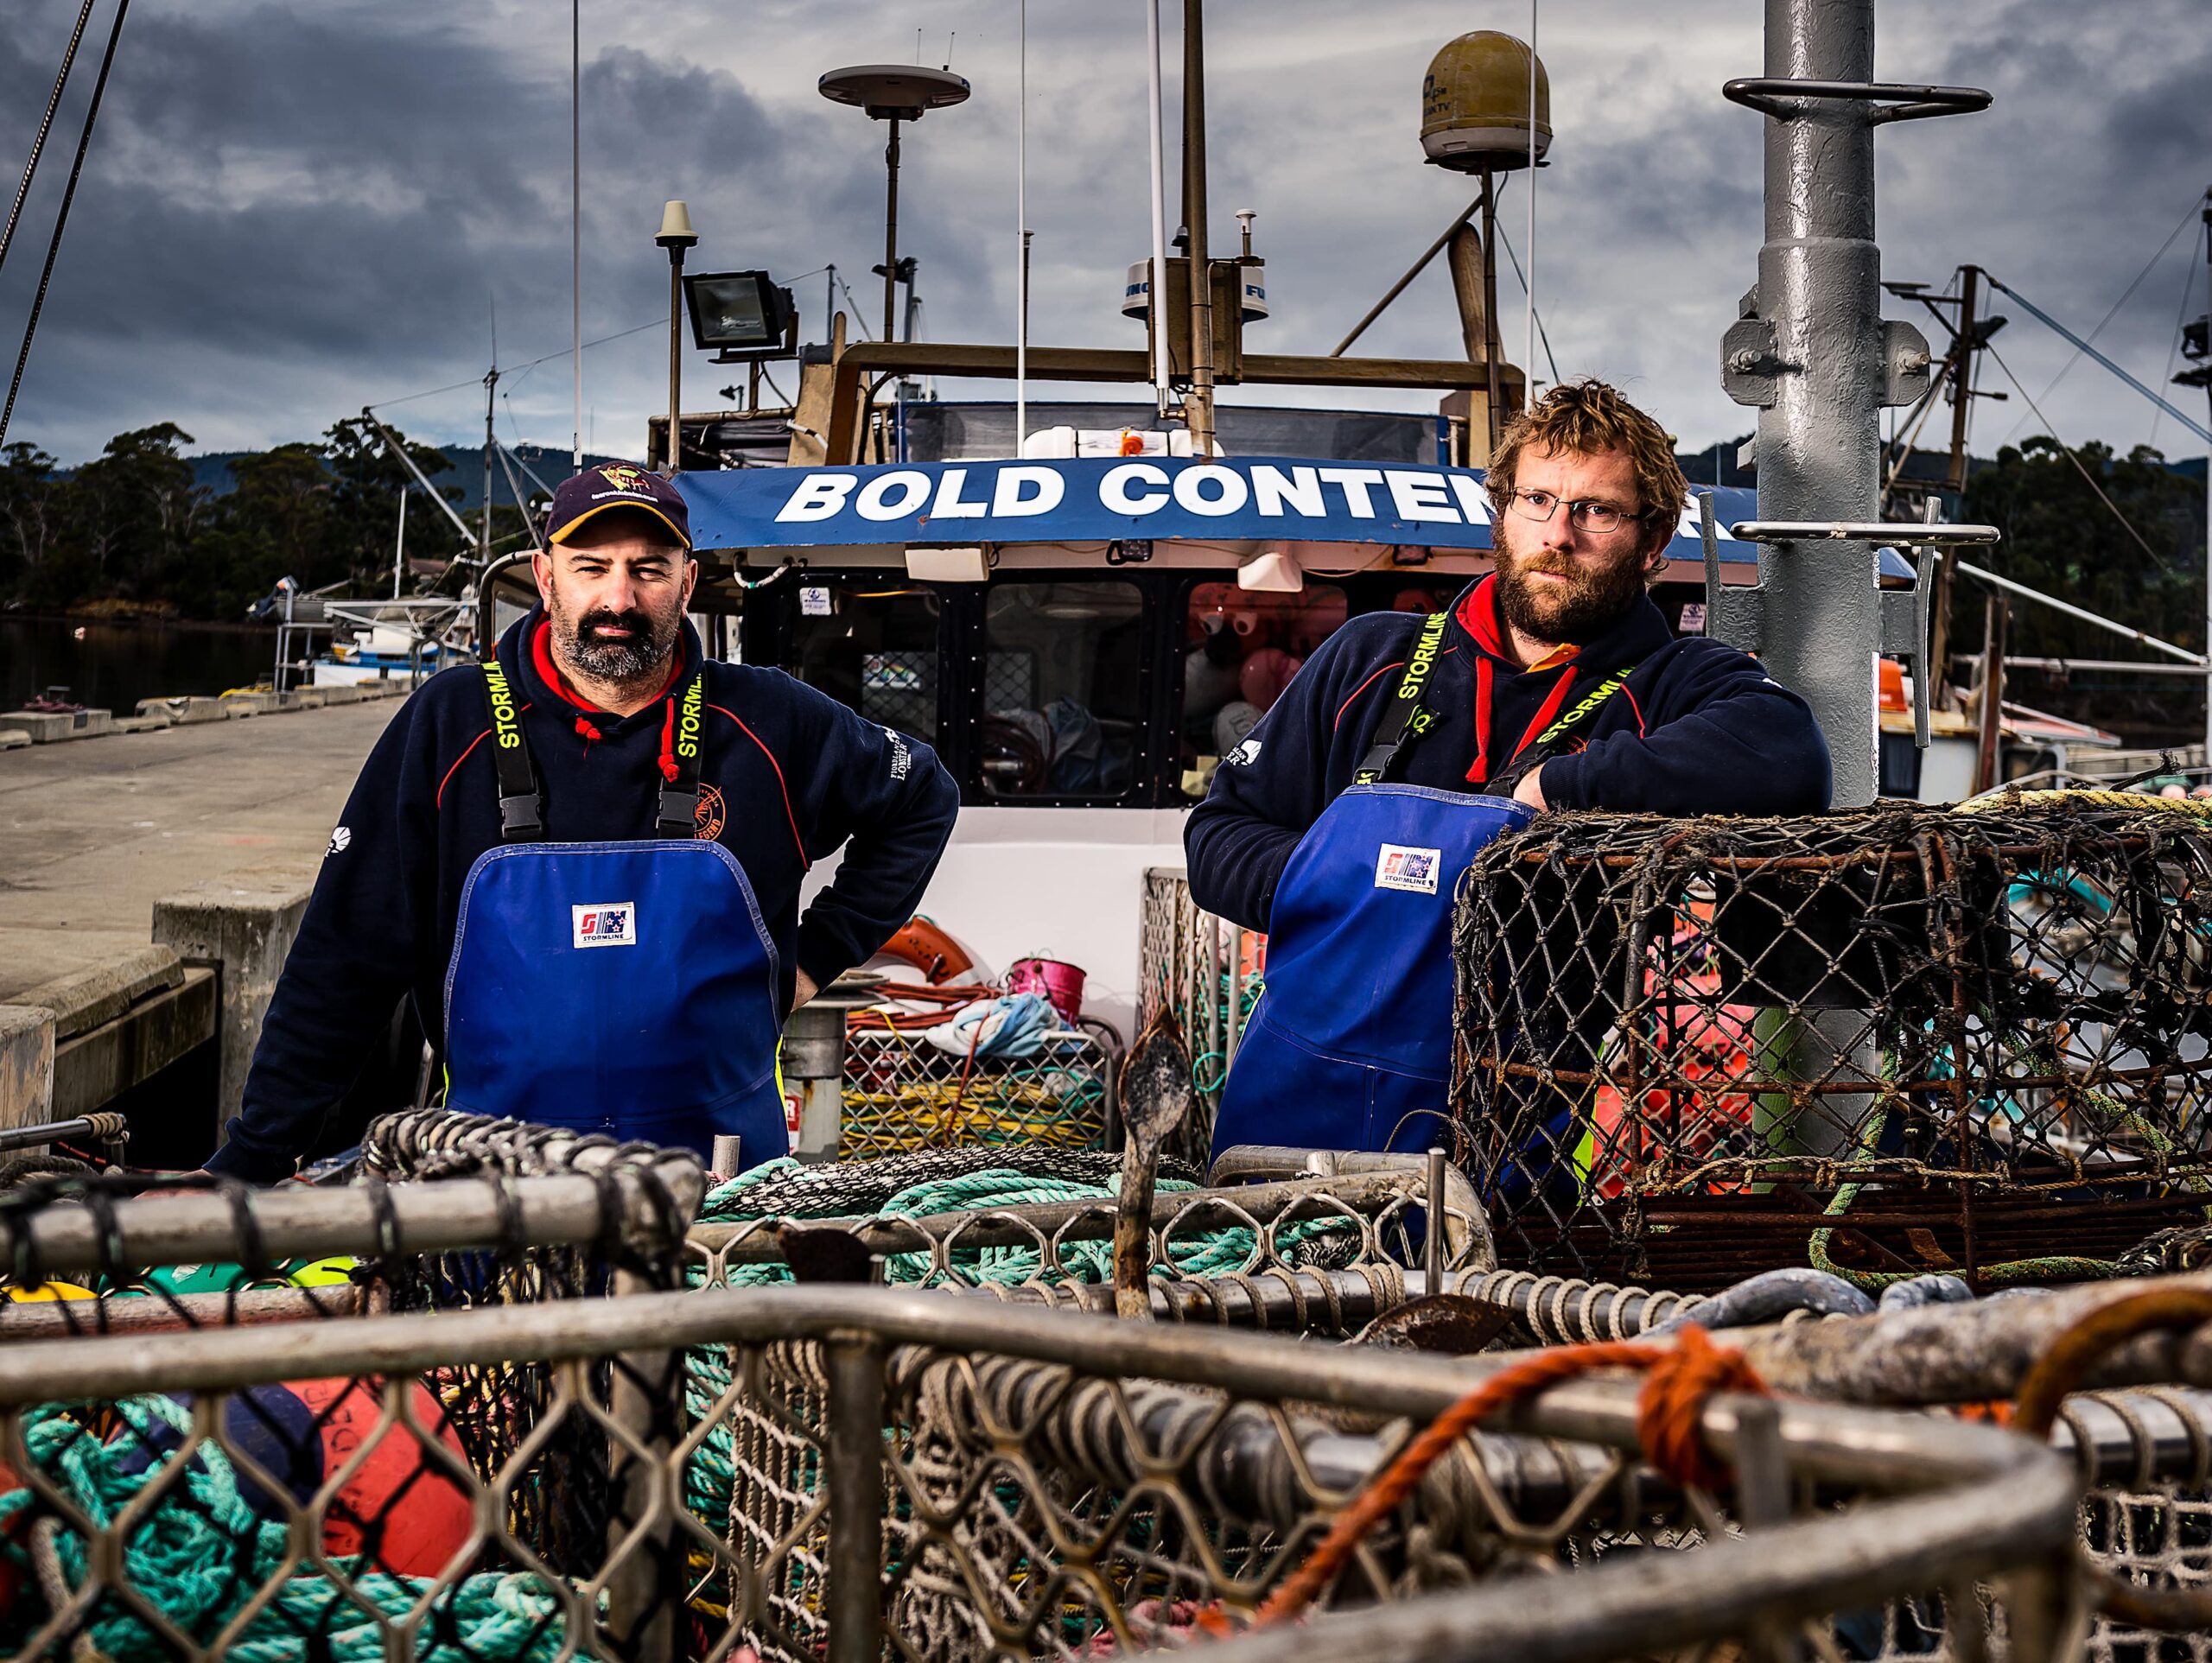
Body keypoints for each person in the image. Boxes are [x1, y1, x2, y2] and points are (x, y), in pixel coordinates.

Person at [201, 462, 958, 1182]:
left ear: (687, 582)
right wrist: (249, 1161)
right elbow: (342, 962)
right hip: (491, 1199)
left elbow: (923, 796)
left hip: (722, 1207)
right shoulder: (449, 723)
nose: (619, 600)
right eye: (592, 566)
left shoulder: (769, 718)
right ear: (545, 576)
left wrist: (813, 958)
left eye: (650, 569)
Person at [1186, 378, 1831, 1163]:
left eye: (1597, 510)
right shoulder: (1372, 655)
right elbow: (1217, 837)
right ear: (1503, 511)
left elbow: (1787, 753)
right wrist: (1357, 878)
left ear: (1653, 539)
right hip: (1284, 1135)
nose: (1559, 534)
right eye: (1537, 500)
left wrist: (1560, 788)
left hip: (1511, 1149)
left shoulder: (1671, 682)